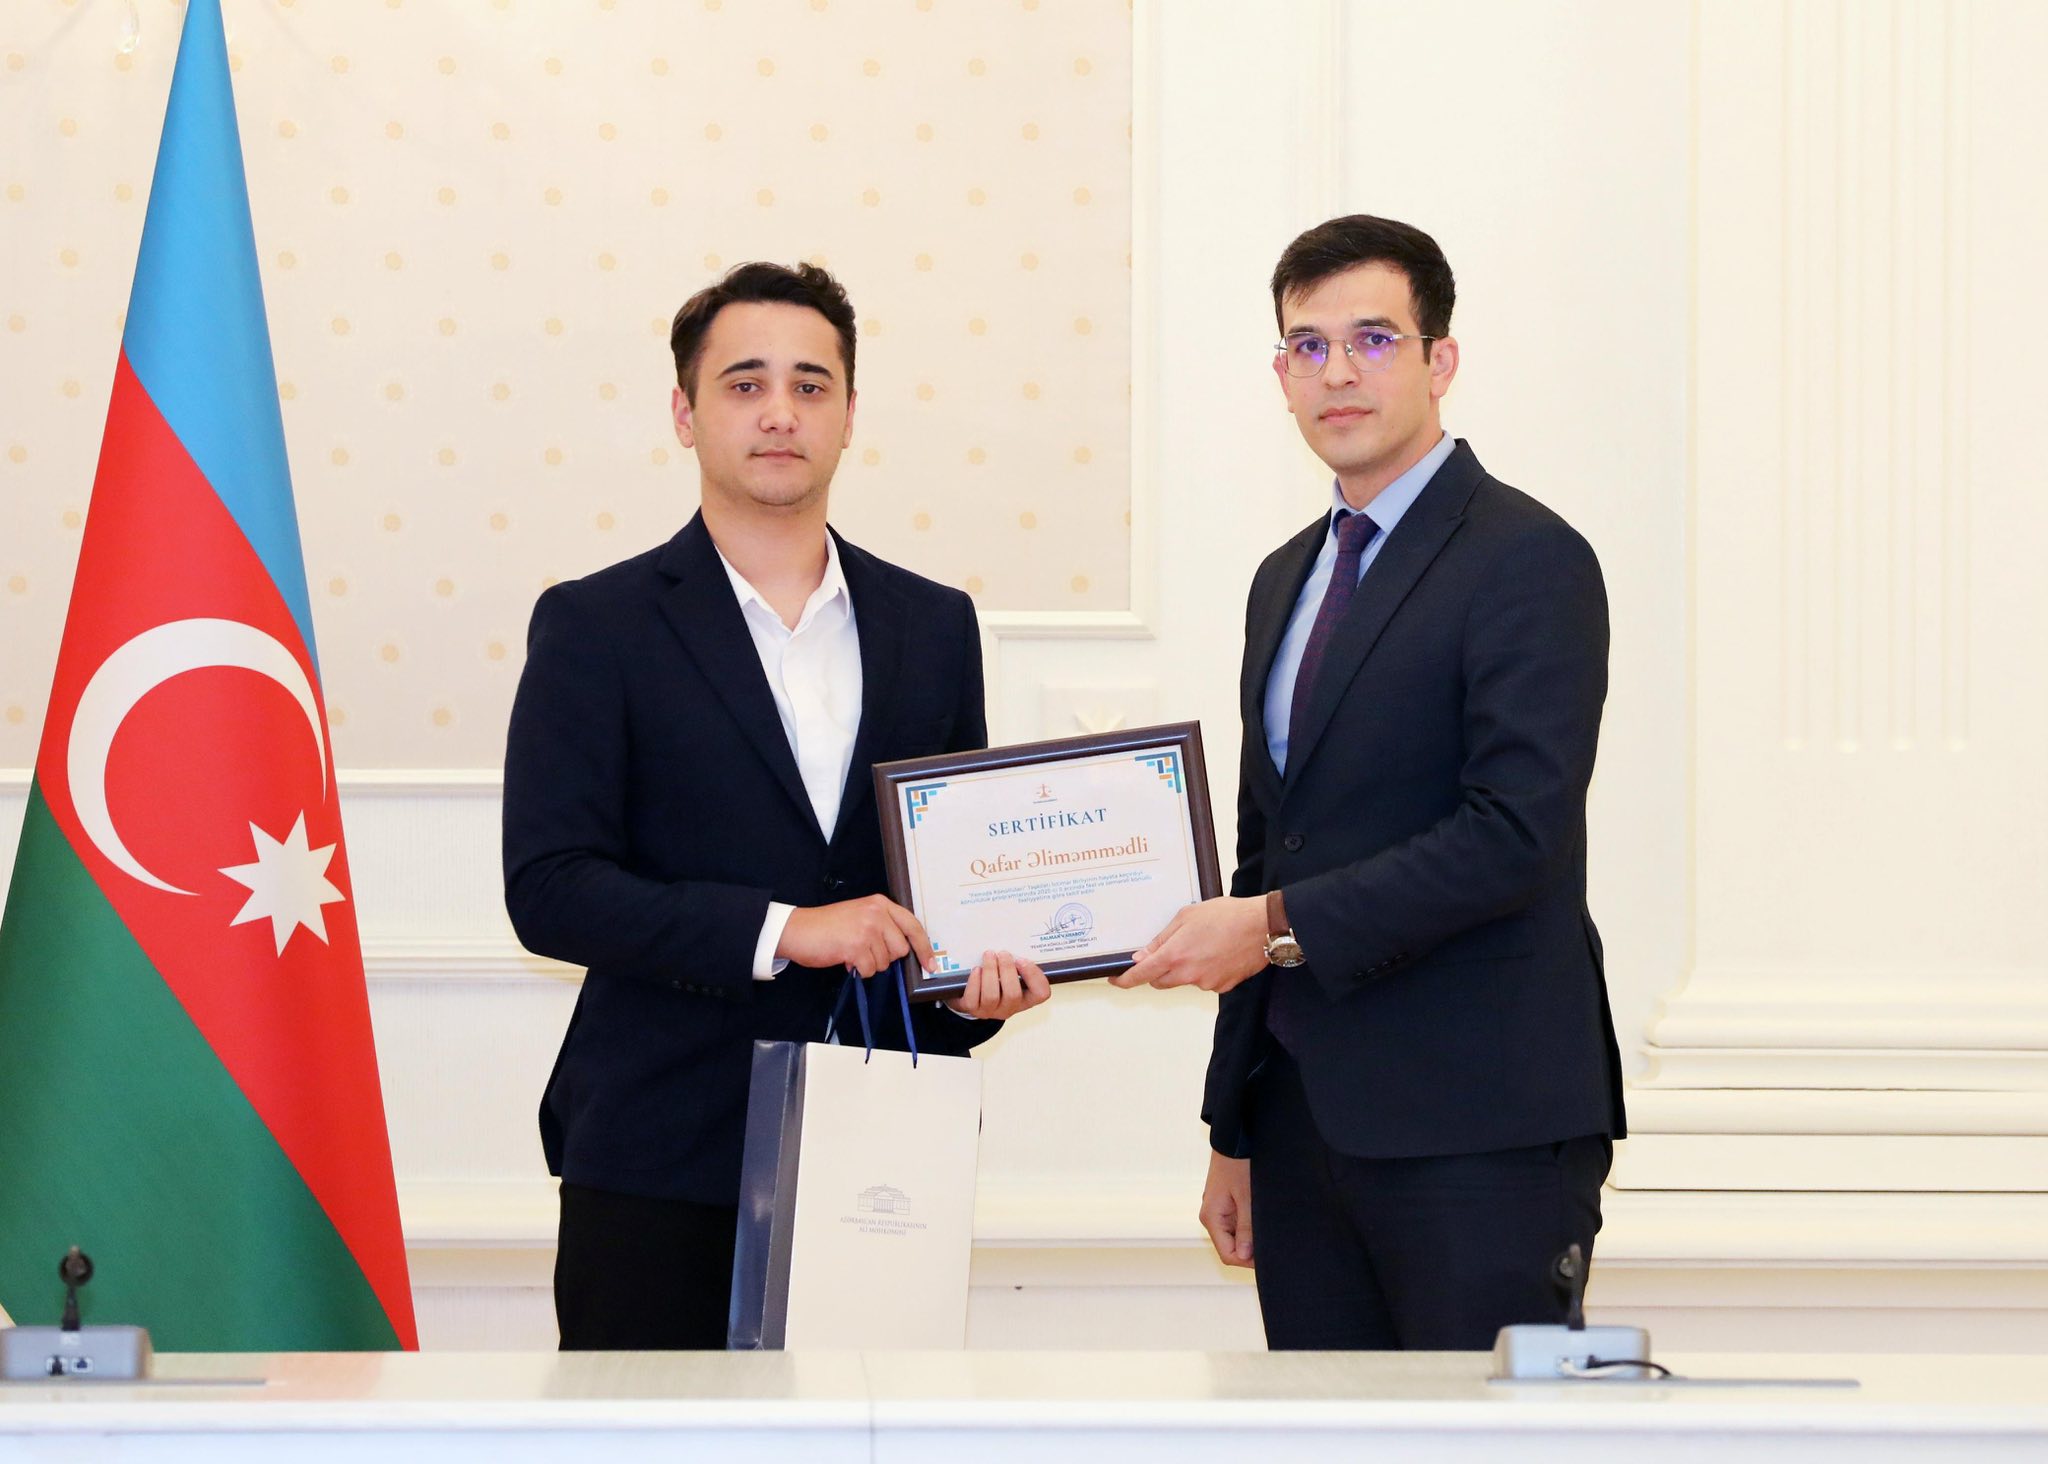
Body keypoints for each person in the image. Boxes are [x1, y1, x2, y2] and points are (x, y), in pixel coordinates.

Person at [503, 261, 1050, 1351]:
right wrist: (784, 931)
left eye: (810, 385)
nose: (779, 412)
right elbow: (551, 890)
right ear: (685, 414)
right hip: (657, 1148)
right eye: (745, 384)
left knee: (868, 1431)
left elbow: (942, 886)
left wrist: (975, 990)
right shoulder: (596, 624)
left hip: (879, 1159)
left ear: (849, 415)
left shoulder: (934, 625)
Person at [1113, 215, 1626, 1350]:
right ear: (1281, 377)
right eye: (1308, 346)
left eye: (1374, 339)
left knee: (1479, 1437)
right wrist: (1234, 1126)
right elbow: (1267, 849)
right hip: (1301, 1130)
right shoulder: (1282, 579)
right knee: (1320, 1430)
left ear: (1441, 361)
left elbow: (1515, 833)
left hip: (1480, 1130)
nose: (1337, 372)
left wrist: (1270, 926)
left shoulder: (1528, 557)